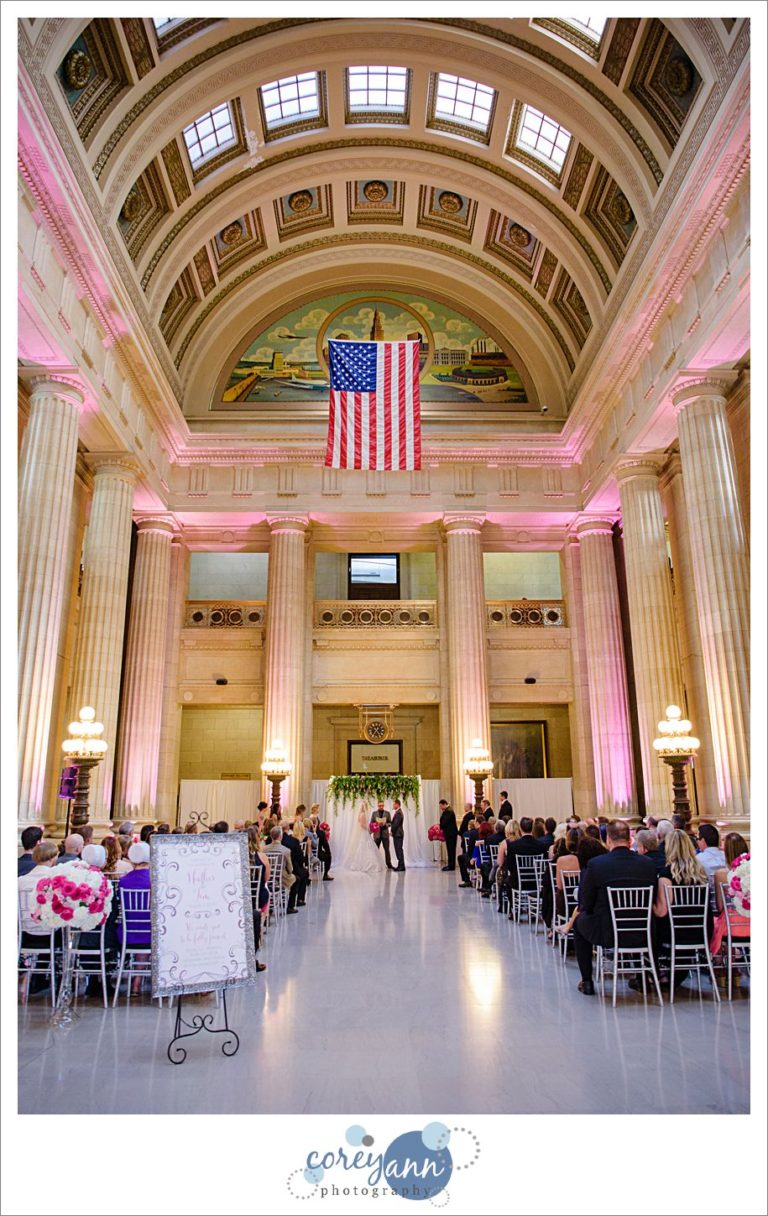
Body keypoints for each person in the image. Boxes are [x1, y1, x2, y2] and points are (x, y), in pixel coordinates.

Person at [572, 819, 656, 995]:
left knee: (579, 923)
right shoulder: (647, 864)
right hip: (643, 931)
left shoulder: (596, 864)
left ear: (608, 839)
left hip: (607, 932)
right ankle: (644, 978)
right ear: (630, 840)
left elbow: (586, 903)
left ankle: (587, 981)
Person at [650, 829, 711, 991]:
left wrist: (650, 905)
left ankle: (653, 973)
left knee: (650, 926)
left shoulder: (666, 875)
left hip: (675, 933)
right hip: (701, 931)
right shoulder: (701, 873)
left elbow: (662, 911)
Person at [117, 842, 152, 994]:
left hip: (128, 932)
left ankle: (136, 982)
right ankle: (139, 980)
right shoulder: (154, 880)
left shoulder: (124, 881)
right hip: (151, 932)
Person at [710, 831, 750, 961]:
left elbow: (720, 906)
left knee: (717, 921)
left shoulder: (721, 874)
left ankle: (725, 966)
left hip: (733, 926)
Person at [501, 816, 548, 907]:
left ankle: (512, 907)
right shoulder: (541, 845)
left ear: (520, 828)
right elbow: (544, 864)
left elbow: (509, 865)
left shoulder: (514, 846)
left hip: (518, 881)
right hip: (537, 881)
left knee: (507, 880)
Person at [247, 827, 270, 971]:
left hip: (243, 898)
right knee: (265, 894)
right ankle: (260, 930)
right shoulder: (262, 857)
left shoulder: (237, 856)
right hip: (258, 898)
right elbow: (266, 878)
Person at [265, 826, 296, 911]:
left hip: (267, 877)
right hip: (281, 878)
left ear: (271, 836)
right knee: (295, 879)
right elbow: (290, 869)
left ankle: (270, 903)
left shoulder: (264, 849)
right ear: (280, 836)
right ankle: (290, 906)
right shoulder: (286, 850)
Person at [348, 806, 387, 875]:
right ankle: (368, 865)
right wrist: (369, 829)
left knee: (364, 846)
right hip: (364, 832)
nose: (367, 808)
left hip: (363, 832)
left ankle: (361, 863)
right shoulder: (363, 814)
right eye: (366, 806)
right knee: (367, 846)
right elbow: (362, 825)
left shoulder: (360, 814)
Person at [281, 821, 309, 908]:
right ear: (288, 829)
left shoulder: (273, 840)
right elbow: (301, 858)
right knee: (304, 874)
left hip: (276, 870)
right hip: (292, 868)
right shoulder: (293, 841)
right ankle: (300, 899)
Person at [696, 823, 726, 898]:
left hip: (706, 901)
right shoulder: (726, 856)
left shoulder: (697, 859)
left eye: (697, 839)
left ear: (703, 841)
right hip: (727, 900)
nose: (697, 842)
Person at [370, 800, 393, 869]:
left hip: (385, 834)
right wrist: (376, 824)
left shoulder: (387, 813)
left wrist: (385, 824)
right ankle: (375, 864)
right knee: (375, 850)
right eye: (380, 806)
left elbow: (390, 823)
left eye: (382, 805)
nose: (381, 807)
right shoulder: (374, 813)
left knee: (387, 850)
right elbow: (371, 823)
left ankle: (389, 864)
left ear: (383, 805)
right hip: (377, 834)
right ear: (377, 806)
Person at [438, 799, 458, 871]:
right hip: (450, 834)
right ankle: (450, 865)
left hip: (451, 834)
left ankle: (451, 866)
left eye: (441, 806)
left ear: (444, 804)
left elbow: (444, 822)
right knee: (449, 850)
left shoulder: (448, 811)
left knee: (451, 850)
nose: (441, 808)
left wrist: (440, 826)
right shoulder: (447, 811)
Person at [390, 799, 406, 871]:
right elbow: (393, 823)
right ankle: (400, 865)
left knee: (399, 850)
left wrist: (392, 831)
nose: (393, 805)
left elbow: (395, 824)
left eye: (394, 804)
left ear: (397, 804)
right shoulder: (398, 812)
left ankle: (401, 866)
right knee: (398, 850)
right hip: (398, 834)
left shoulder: (399, 813)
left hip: (398, 834)